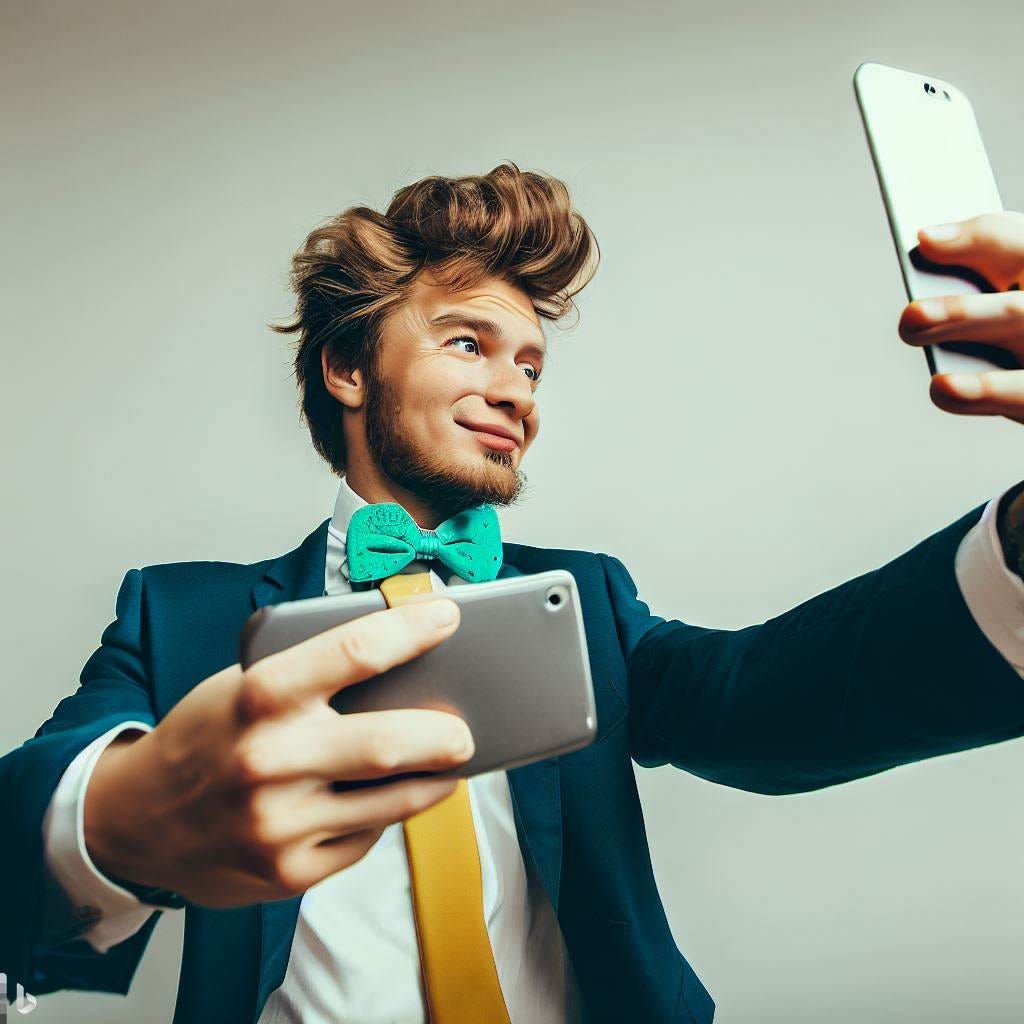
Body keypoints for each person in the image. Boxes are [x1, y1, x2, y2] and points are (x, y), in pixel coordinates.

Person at [3, 163, 1024, 1024]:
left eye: (532, 363)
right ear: (348, 367)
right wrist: (125, 818)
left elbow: (767, 696)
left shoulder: (586, 598)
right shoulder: (176, 616)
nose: (516, 391)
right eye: (467, 343)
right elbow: (25, 822)